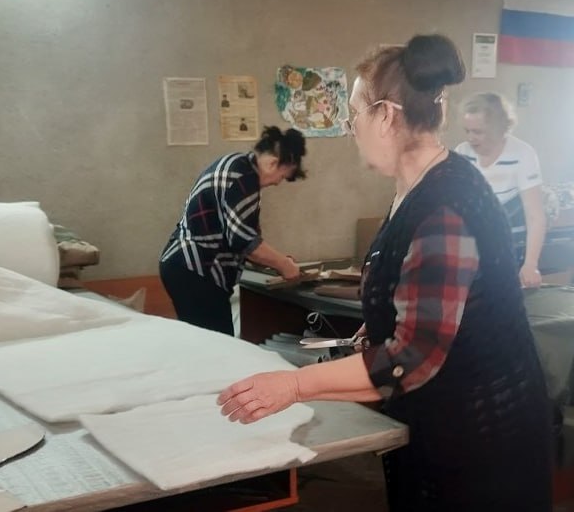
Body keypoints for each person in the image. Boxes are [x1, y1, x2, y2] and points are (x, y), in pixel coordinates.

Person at [217, 35, 553, 511]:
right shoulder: (415, 187)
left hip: (481, 440)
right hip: (445, 423)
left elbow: (412, 356)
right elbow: (417, 302)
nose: (351, 128)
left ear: (387, 116)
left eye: (354, 114)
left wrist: (292, 385)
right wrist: (374, 332)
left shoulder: (444, 209)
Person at [159, 126, 306, 335]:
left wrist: (277, 262)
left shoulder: (236, 165)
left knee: (206, 343)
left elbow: (242, 239)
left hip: (183, 266)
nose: (276, 183)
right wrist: (284, 265)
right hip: (195, 270)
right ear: (273, 163)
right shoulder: (243, 178)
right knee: (219, 346)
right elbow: (245, 242)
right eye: (282, 176)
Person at [455, 93, 546, 288]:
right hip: (474, 247)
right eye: (467, 131)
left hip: (512, 246)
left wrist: (530, 265)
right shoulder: (462, 152)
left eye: (478, 132)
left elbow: (535, 216)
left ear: (498, 128)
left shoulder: (523, 154)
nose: (471, 138)